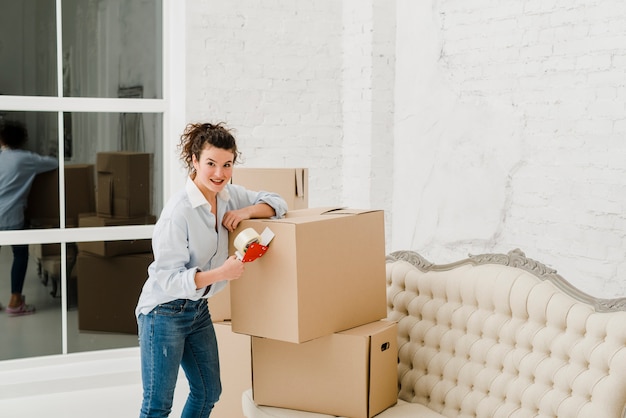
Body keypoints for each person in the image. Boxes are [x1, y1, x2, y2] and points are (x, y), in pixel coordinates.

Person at [135, 122, 287, 418]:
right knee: (157, 405)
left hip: (197, 309)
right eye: (211, 164)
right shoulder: (178, 212)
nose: (220, 174)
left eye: (227, 164)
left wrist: (246, 212)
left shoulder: (229, 195)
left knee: (208, 392)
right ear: (194, 161)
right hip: (163, 312)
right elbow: (168, 279)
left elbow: (277, 202)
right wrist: (221, 273)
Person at [0, 119, 58, 316]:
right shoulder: (27, 159)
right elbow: (54, 164)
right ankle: (15, 301)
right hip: (12, 217)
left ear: (2, 140)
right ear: (23, 140)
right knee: (20, 254)